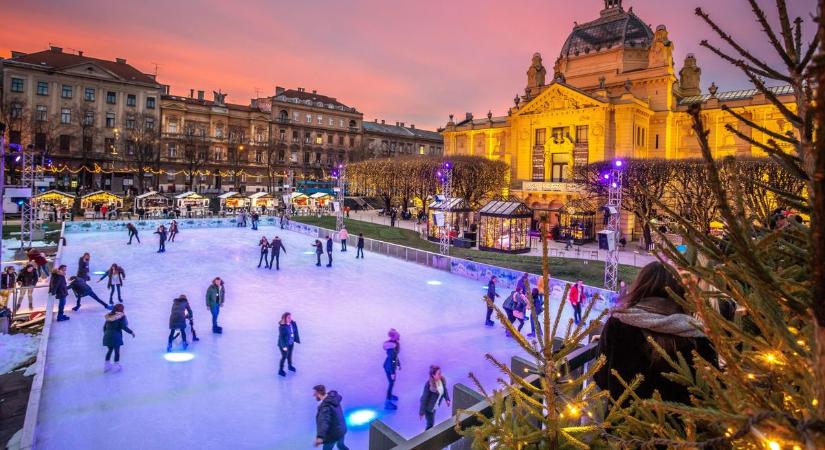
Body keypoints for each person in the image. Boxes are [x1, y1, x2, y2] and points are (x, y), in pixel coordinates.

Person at [594, 261, 718, 405]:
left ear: (639, 286)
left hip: (626, 418)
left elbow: (600, 375)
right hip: (682, 423)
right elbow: (711, 386)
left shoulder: (619, 323)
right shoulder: (696, 333)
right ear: (677, 291)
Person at [313, 385, 349, 450]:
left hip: (333, 434)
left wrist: (320, 437)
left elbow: (324, 422)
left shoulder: (325, 407)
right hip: (341, 430)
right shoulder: (333, 398)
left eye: (315, 393)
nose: (313, 395)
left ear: (318, 393)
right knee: (341, 445)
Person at [103, 303, 135, 372]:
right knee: (116, 351)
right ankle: (116, 366)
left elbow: (104, 327)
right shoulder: (121, 317)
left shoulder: (109, 316)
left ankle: (106, 366)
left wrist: (106, 334)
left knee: (109, 350)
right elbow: (123, 327)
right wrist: (131, 332)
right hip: (116, 336)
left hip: (107, 335)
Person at [419, 365, 451, 430]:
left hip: (434, 405)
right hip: (428, 408)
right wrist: (421, 412)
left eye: (440, 373)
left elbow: (444, 390)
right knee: (430, 423)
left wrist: (447, 399)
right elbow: (424, 399)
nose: (440, 375)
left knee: (431, 422)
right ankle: (426, 437)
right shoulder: (429, 385)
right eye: (438, 374)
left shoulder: (441, 380)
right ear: (433, 375)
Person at [383, 329, 401, 410]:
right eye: (397, 335)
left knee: (391, 383)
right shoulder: (392, 347)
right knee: (391, 383)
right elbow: (392, 359)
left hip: (389, 365)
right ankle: (388, 402)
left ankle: (390, 396)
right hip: (389, 367)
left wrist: (398, 364)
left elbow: (395, 357)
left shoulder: (394, 343)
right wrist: (392, 372)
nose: (398, 336)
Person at [277, 312, 300, 377]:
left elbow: (295, 331)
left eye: (290, 317)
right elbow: (281, 337)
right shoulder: (282, 327)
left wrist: (295, 339)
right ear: (285, 318)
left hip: (291, 343)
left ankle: (290, 366)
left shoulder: (292, 323)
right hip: (283, 344)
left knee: (289, 355)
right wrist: (284, 346)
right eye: (288, 317)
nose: (290, 318)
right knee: (284, 356)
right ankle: (280, 370)